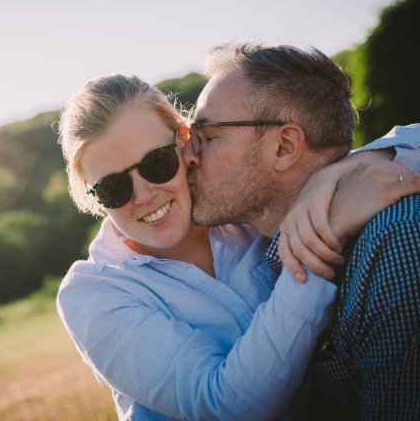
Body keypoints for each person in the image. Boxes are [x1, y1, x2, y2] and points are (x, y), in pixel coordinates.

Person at [56, 73, 420, 420]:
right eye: (112, 189)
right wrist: (321, 235)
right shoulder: (93, 293)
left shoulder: (244, 207)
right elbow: (224, 406)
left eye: (157, 163)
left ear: (184, 140)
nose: (145, 196)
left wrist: (338, 176)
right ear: (93, 195)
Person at [183, 42, 420, 420]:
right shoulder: (252, 253)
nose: (189, 155)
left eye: (207, 137)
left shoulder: (394, 242)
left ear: (284, 146)